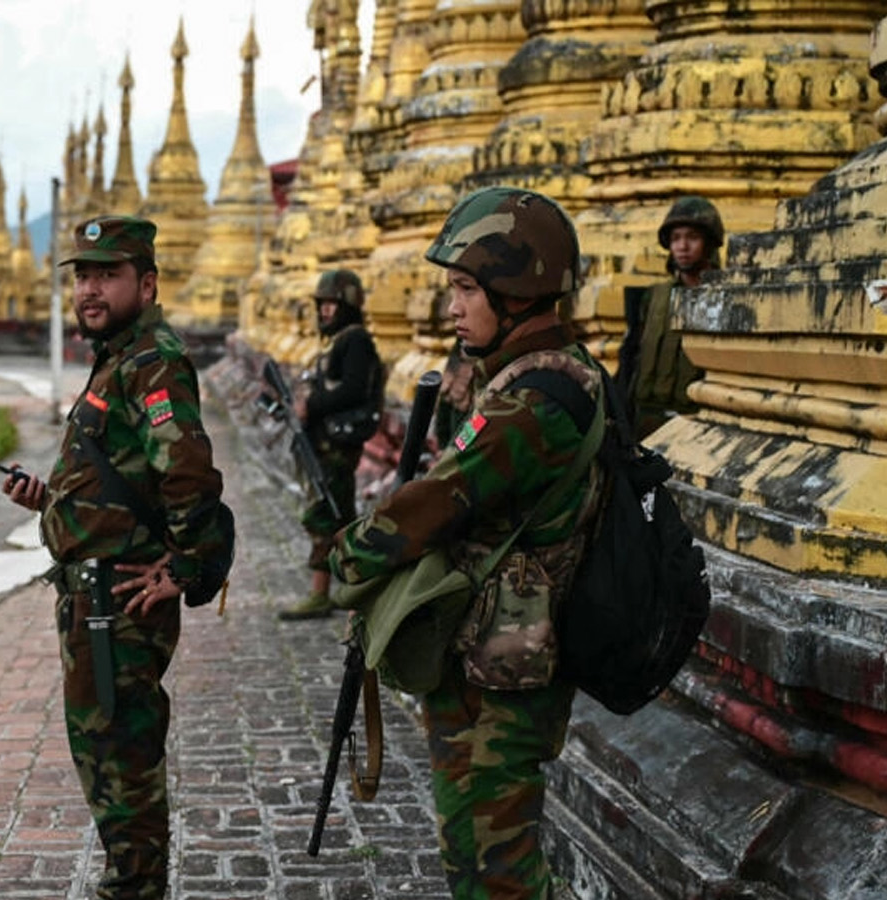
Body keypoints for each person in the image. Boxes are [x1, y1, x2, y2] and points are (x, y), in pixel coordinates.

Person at [329, 187, 605, 900]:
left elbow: (439, 498)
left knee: (499, 865)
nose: (450, 308)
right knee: (467, 848)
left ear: (515, 290)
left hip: (510, 670)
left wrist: (349, 554)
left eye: (464, 288)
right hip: (483, 649)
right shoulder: (525, 376)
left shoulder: (537, 400)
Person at [1, 214, 227, 900]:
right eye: (84, 277)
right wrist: (51, 500)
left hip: (118, 608)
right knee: (106, 764)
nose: (91, 290)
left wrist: (183, 570)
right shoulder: (121, 356)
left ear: (147, 283)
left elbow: (188, 473)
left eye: (109, 275)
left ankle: (132, 892)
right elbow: (128, 476)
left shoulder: (152, 361)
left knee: (121, 767)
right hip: (94, 597)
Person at [277, 269, 384, 621]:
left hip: (336, 445)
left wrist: (313, 404)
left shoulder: (355, 341)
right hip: (324, 443)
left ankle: (326, 593)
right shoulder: (340, 341)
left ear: (348, 305)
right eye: (321, 305)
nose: (324, 311)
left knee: (326, 516)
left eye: (331, 305)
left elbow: (354, 389)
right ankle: (352, 591)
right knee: (336, 516)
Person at [618, 195, 721, 437]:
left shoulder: (722, 299)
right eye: (675, 239)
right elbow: (631, 354)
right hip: (644, 421)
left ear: (710, 243)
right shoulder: (653, 297)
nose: (682, 247)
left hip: (694, 424)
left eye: (692, 238)